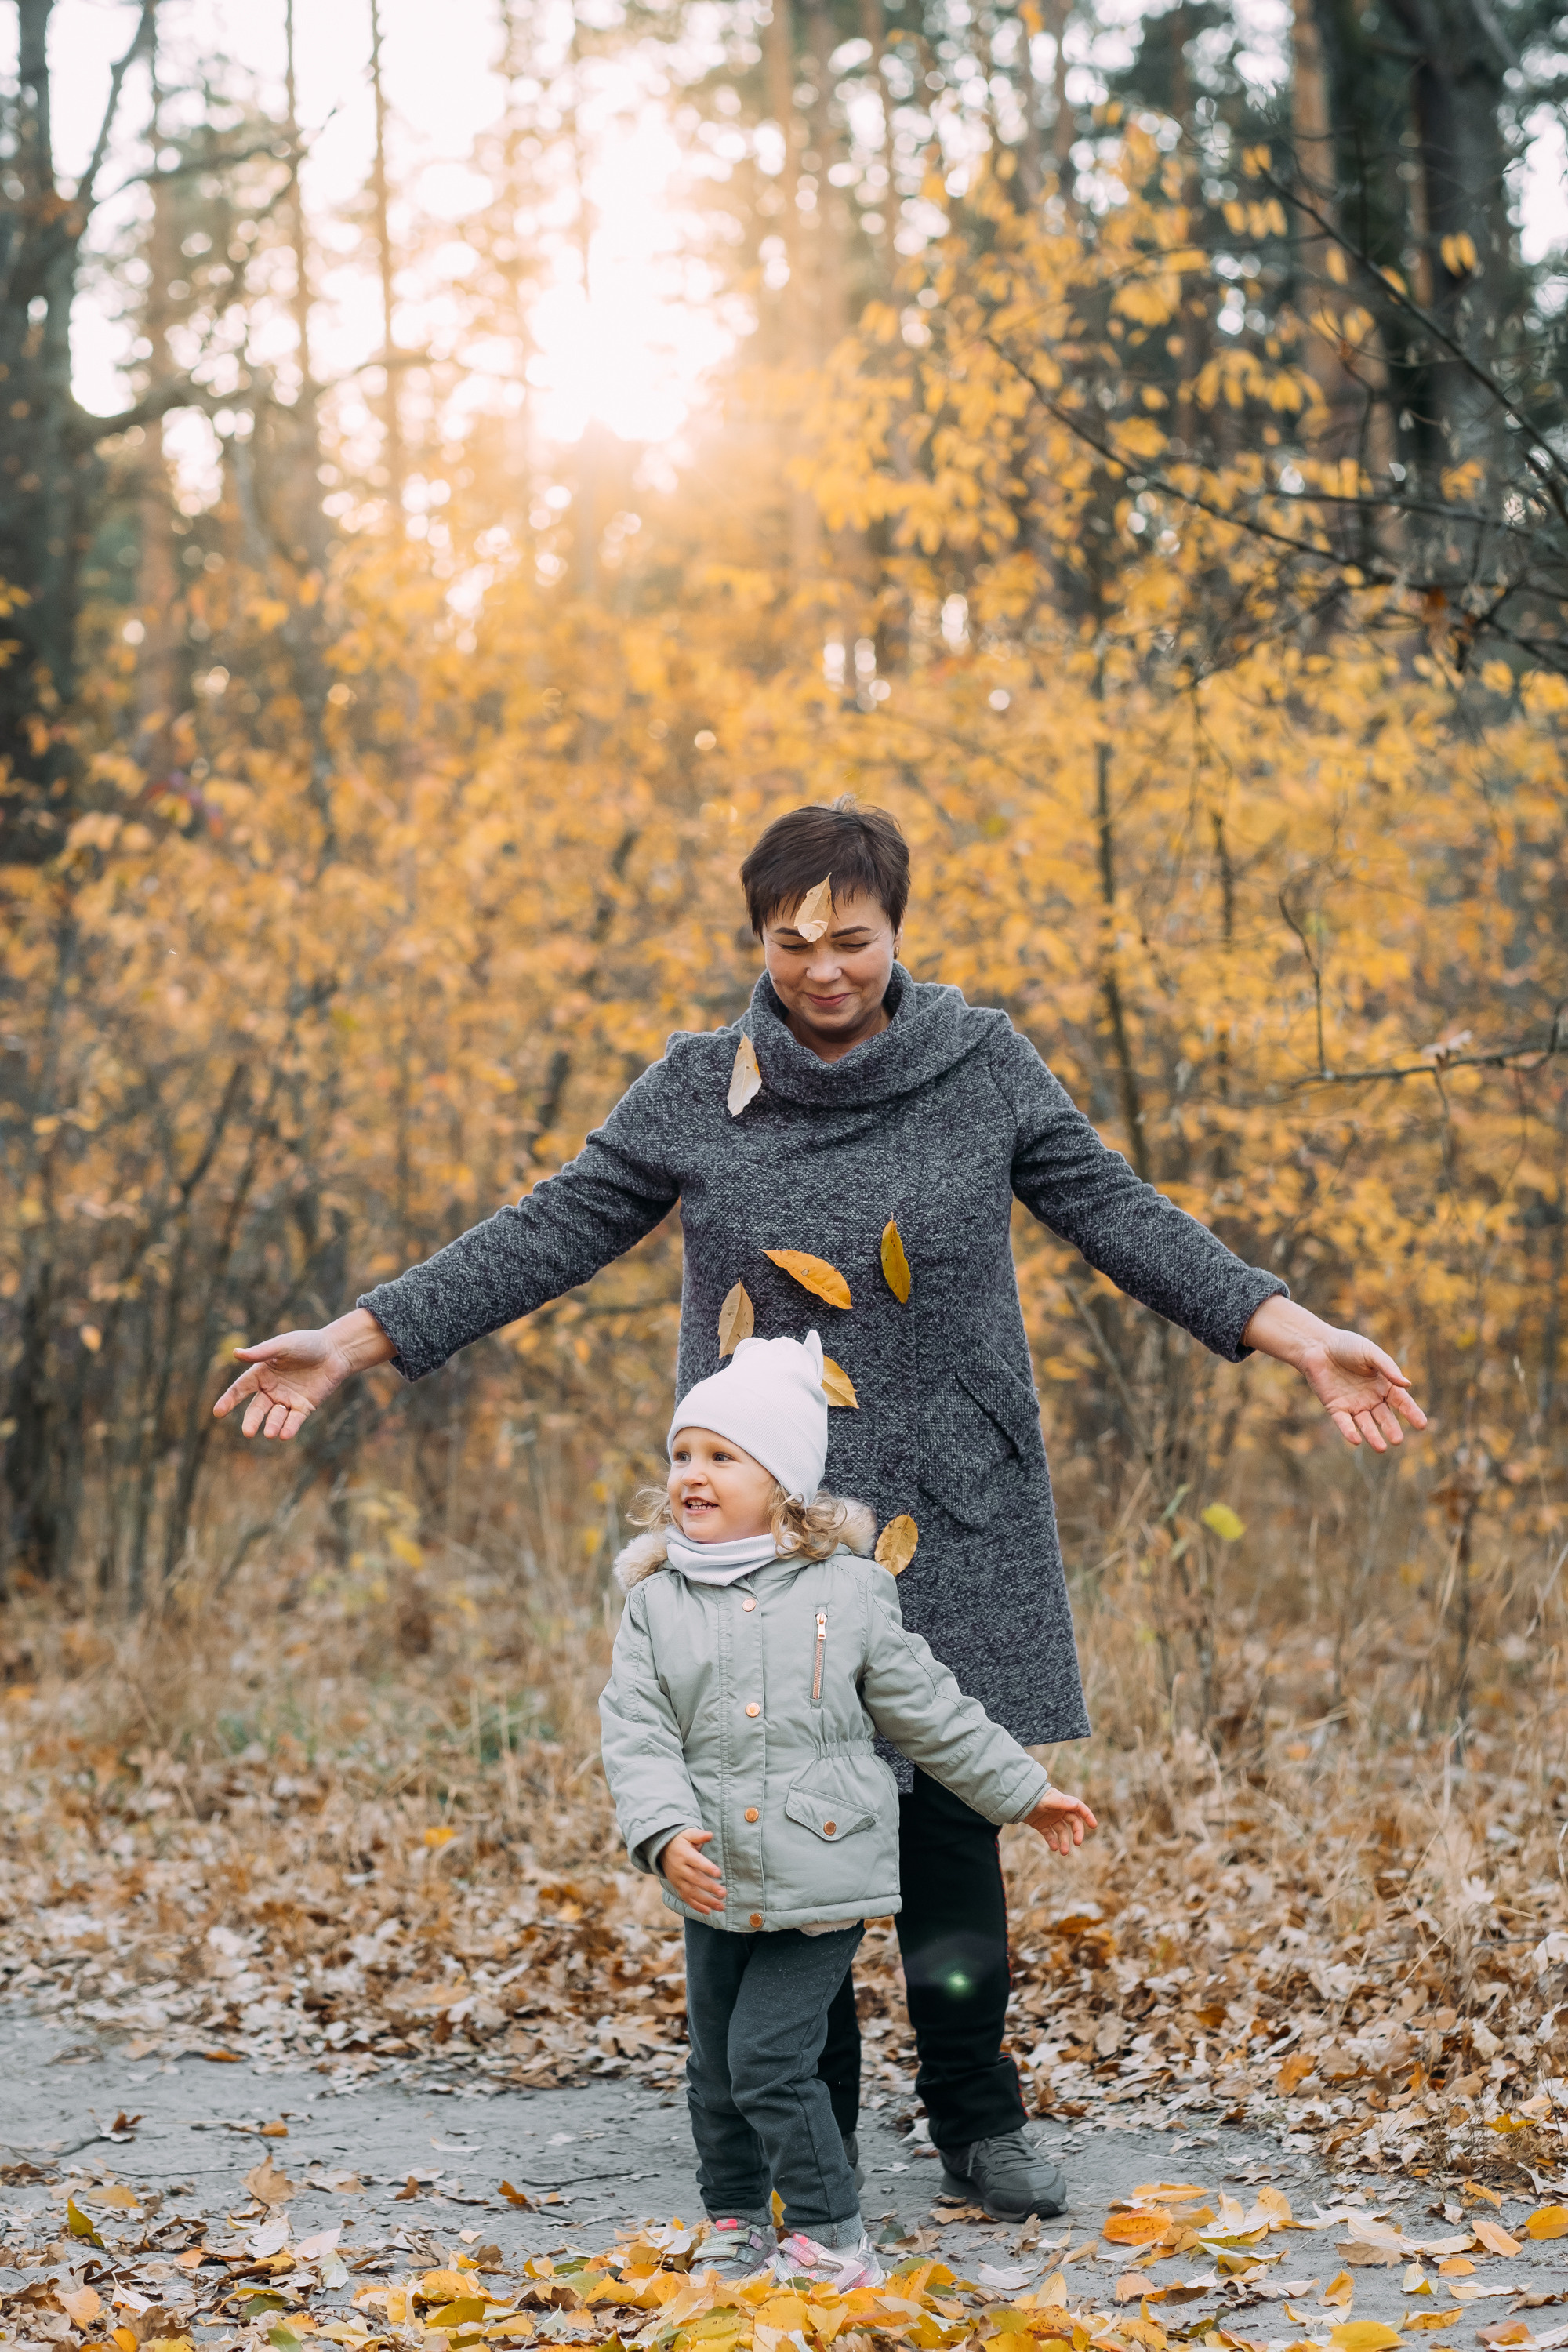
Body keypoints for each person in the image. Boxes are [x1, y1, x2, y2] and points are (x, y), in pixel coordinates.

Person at [213, 797, 1425, 2220]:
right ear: (756, 940)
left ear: (899, 930)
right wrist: (352, 1344)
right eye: (791, 942)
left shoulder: (983, 1065)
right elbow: (540, 1234)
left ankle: (980, 2121)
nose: (824, 967)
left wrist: (1294, 1336)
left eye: (852, 938)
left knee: (951, 1821)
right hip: (768, 1522)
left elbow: (1123, 1215)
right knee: (782, 1815)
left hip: (954, 1501)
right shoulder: (694, 1086)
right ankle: (815, 2135)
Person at [599, 1327, 1096, 2279]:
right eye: (681, 1455)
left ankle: (832, 2237)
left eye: (720, 1457)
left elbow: (933, 1715)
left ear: (782, 1485)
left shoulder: (851, 1592)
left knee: (766, 2063)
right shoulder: (655, 1604)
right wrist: (660, 1832)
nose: (690, 1475)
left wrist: (1024, 1794)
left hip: (820, 1870)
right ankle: (736, 2218)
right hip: (712, 1878)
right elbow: (637, 1731)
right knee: (714, 2070)